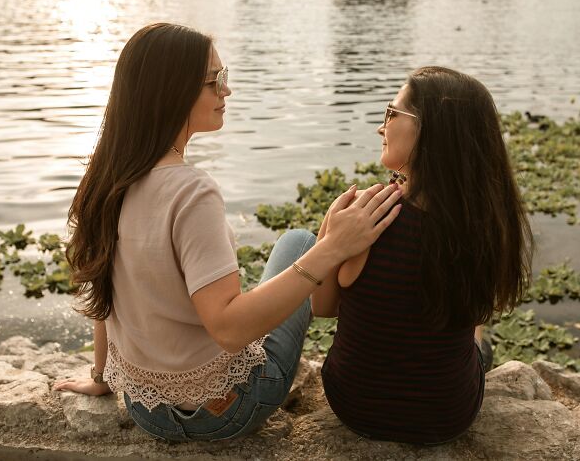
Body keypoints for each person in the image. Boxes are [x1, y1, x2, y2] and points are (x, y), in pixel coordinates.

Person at [52, 23, 403, 442]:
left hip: (146, 408)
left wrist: (102, 375)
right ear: (173, 91)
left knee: (281, 255)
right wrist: (333, 248)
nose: (227, 91)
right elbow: (230, 330)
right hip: (224, 411)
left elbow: (104, 288)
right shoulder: (191, 191)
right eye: (216, 81)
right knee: (301, 243)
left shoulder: (107, 178)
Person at [312, 66, 533, 444]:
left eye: (390, 113)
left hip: (355, 405)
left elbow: (323, 306)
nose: (381, 127)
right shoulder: (487, 223)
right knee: (477, 335)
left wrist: (328, 228)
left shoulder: (363, 216)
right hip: (447, 417)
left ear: (429, 129)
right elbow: (479, 309)